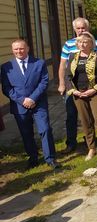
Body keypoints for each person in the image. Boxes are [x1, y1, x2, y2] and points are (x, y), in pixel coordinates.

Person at [1, 39, 60, 169]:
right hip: (19, 105)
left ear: (27, 48)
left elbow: (44, 82)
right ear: (12, 50)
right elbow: (6, 88)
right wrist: (22, 100)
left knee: (45, 129)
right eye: (16, 49)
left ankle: (50, 158)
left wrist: (32, 99)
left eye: (21, 48)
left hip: (38, 103)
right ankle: (33, 158)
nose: (19, 51)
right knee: (26, 133)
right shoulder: (6, 67)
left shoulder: (39, 63)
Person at [58, 17, 97, 154]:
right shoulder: (68, 45)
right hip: (74, 87)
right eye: (78, 28)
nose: (81, 30)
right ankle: (71, 143)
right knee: (72, 115)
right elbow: (63, 66)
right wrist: (62, 84)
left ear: (88, 29)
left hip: (93, 86)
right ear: (75, 29)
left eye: (83, 28)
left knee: (95, 116)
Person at [65, 32, 97, 161]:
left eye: (85, 42)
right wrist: (72, 90)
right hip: (78, 93)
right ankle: (91, 148)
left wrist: (94, 90)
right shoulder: (73, 56)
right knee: (85, 121)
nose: (82, 44)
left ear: (91, 44)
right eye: (80, 42)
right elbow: (68, 76)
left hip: (95, 92)